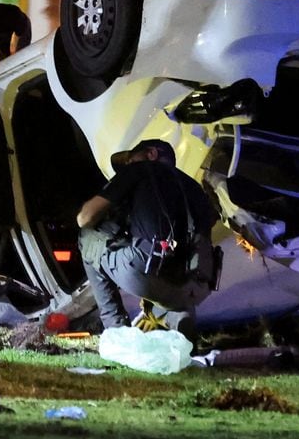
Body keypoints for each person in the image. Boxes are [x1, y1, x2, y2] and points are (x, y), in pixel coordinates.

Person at [75, 139, 220, 335]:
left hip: (150, 272)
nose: (128, 165)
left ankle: (116, 330)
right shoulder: (194, 187)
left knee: (87, 238)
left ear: (151, 154)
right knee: (165, 280)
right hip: (198, 285)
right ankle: (179, 316)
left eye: (131, 159)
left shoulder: (140, 170)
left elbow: (85, 218)